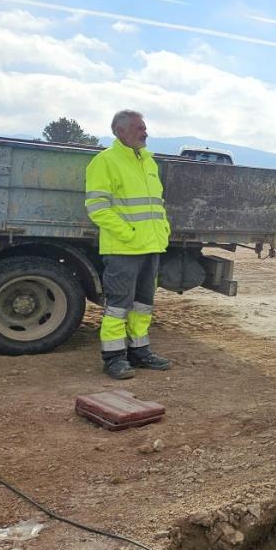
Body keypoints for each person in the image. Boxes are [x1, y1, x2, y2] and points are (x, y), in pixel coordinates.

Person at [84, 110, 172, 380]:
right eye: (138, 128)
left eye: (144, 128)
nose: (144, 132)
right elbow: (97, 207)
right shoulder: (105, 162)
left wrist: (164, 231)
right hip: (123, 248)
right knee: (119, 305)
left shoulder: (148, 162)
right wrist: (128, 233)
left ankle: (140, 350)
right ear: (119, 131)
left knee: (143, 303)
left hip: (151, 246)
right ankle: (113, 359)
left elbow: (156, 204)